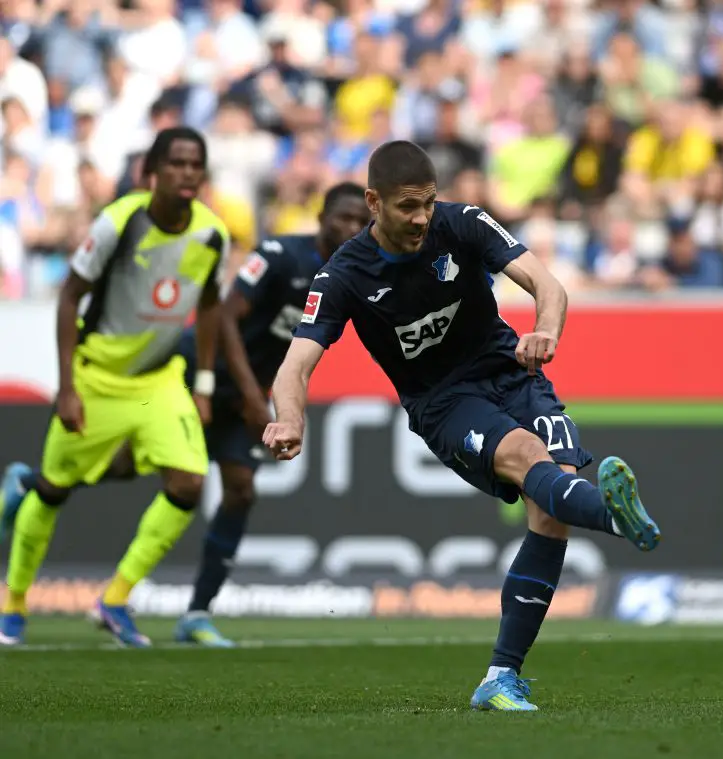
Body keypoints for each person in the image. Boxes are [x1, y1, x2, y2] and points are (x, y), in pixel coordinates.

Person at [263, 140, 661, 711]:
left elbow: (549, 285)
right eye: (407, 206)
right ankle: (616, 518)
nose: (422, 217)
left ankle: (500, 676)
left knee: (550, 513)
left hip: (512, 371)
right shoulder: (342, 275)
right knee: (530, 459)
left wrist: (546, 330)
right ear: (373, 202)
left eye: (427, 202)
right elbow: (295, 365)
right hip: (445, 403)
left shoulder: (464, 223)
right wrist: (290, 419)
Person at [1, 182, 371, 648]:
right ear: (320, 217)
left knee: (238, 489)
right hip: (201, 374)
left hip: (246, 395)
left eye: (363, 222)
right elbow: (228, 316)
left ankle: (194, 613)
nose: (353, 228)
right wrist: (250, 395)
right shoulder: (279, 254)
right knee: (130, 466)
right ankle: (36, 485)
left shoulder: (357, 273)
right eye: (345, 218)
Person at [0, 127, 229, 647]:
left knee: (189, 483)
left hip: (158, 380)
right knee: (53, 490)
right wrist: (66, 387)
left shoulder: (213, 234)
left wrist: (206, 384)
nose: (188, 173)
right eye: (177, 163)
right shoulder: (119, 222)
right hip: (97, 375)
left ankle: (115, 598)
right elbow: (68, 297)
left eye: (196, 164)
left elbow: (212, 304)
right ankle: (13, 603)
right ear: (153, 170)